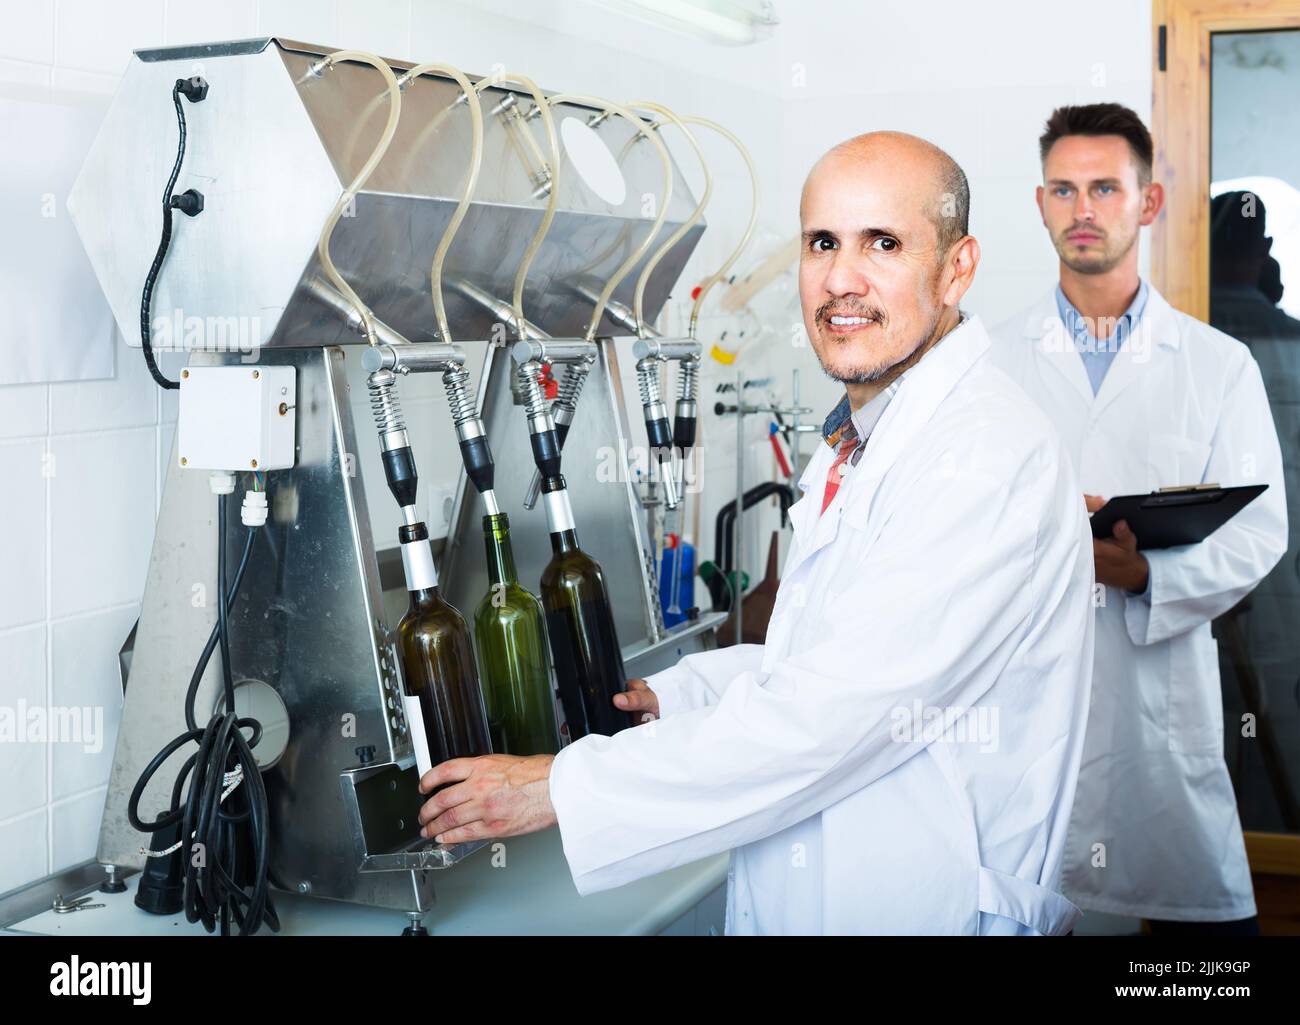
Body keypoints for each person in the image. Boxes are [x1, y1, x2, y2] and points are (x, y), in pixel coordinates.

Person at [416, 131, 1095, 935]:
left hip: (924, 904)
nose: (842, 279)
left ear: (957, 267)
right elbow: (822, 660)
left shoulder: (981, 456)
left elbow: (830, 716)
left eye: (884, 242)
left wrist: (561, 785)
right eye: (822, 243)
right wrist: (678, 694)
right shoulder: (876, 431)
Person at [990, 103, 1288, 935]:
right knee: (1037, 905)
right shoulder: (987, 363)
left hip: (1158, 703)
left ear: (1149, 203)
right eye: (1064, 188)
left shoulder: (1217, 366)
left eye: (1106, 188)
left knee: (1202, 946)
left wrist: (1146, 573)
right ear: (1041, 203)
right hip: (1026, 697)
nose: (1083, 208)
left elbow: (1261, 532)